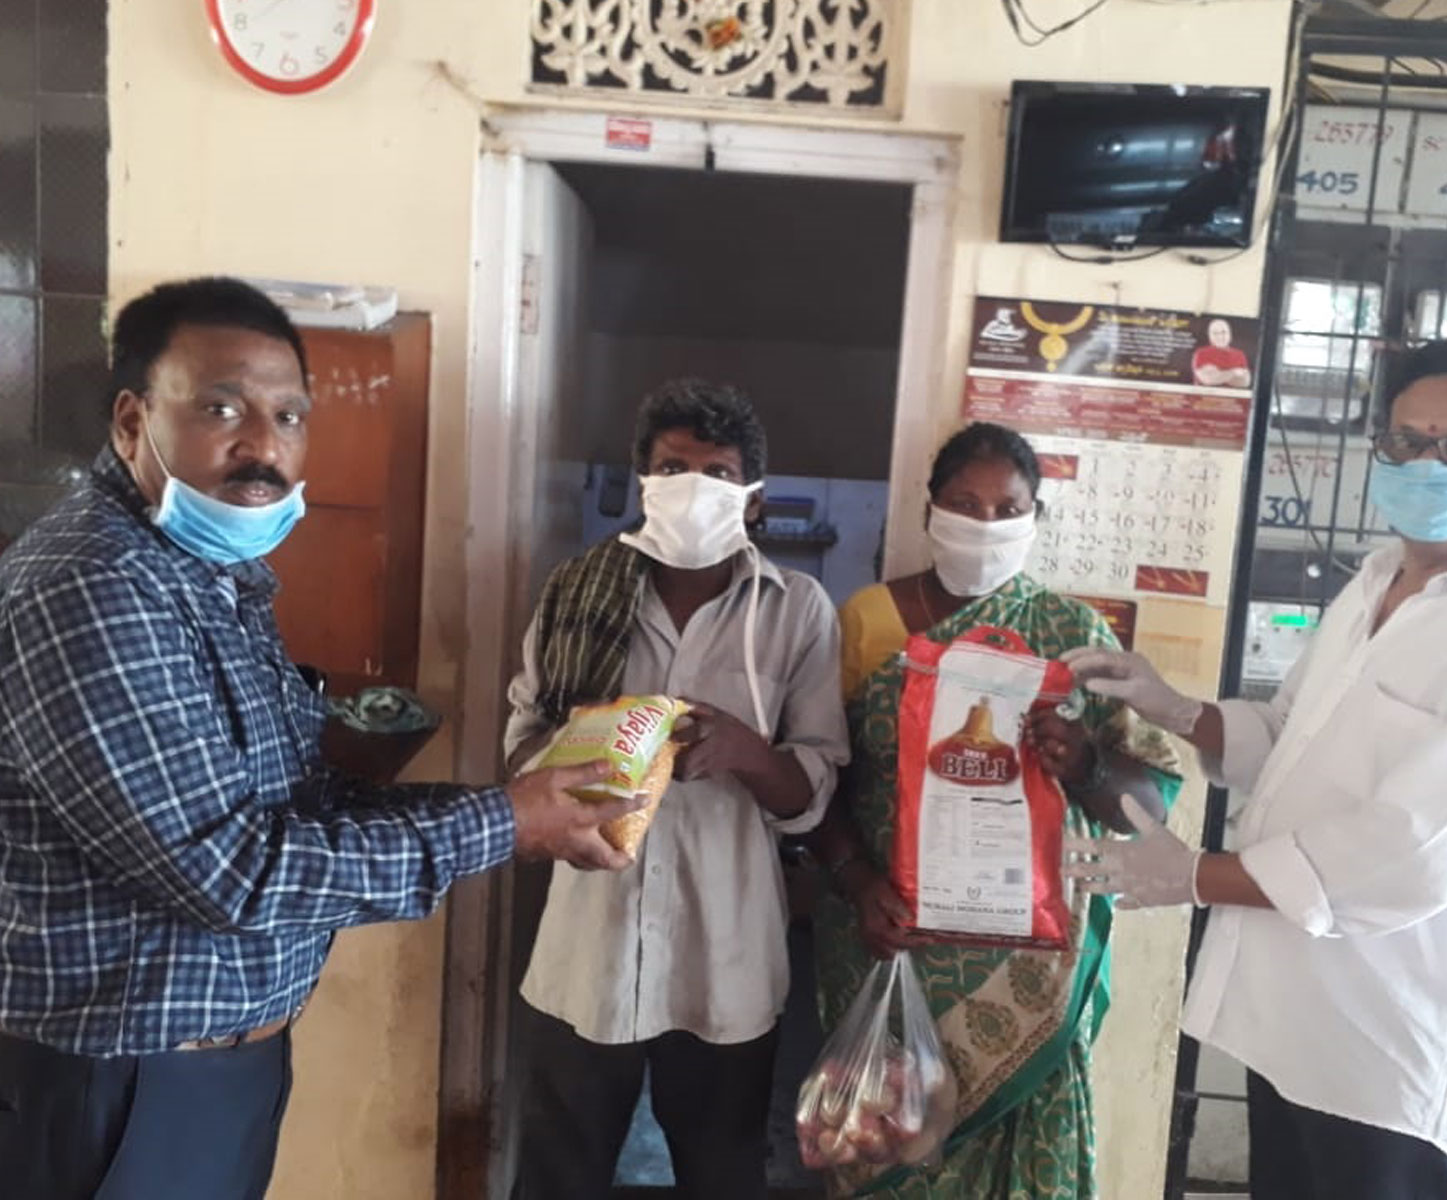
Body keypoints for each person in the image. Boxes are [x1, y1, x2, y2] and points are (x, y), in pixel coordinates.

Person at [0, 278, 641, 1200]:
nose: (264, 447)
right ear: (134, 422)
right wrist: (506, 823)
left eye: (289, 416)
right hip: (125, 1079)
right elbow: (228, 870)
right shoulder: (94, 588)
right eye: (221, 408)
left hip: (216, 1068)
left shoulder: (213, 578)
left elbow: (297, 805)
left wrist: (518, 812)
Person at [1063, 338, 1447, 1200]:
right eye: (1406, 442)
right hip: (1292, 1031)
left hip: (1398, 1055)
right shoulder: (1373, 586)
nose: (1428, 465)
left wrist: (1197, 876)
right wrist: (1173, 707)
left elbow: (1420, 848)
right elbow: (1292, 741)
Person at [807, 422, 1183, 1198]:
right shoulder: (867, 621)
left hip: (1029, 979)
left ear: (1035, 518)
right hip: (888, 942)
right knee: (888, 1147)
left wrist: (1084, 761)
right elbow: (819, 777)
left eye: (1006, 509)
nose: (983, 524)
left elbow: (1146, 806)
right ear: (929, 509)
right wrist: (855, 880)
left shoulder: (1072, 635)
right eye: (963, 503)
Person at [504, 379, 850, 1199]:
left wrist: (745, 753)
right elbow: (519, 757)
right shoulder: (575, 593)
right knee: (557, 1175)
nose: (694, 486)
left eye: (718, 473)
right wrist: (599, 746)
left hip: (724, 955)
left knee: (721, 1172)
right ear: (643, 485)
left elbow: (813, 790)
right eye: (672, 468)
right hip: (588, 950)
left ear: (753, 499)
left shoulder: (796, 610)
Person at [1192, 317, 1253, 389]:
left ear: (1230, 334)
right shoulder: (1201, 353)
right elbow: (1208, 380)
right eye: (1215, 333)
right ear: (1209, 335)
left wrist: (1219, 374)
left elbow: (1245, 382)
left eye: (1223, 332)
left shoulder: (1239, 354)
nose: (1220, 336)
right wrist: (1234, 372)